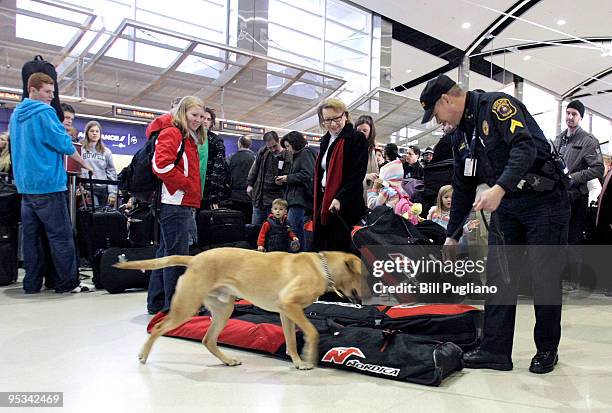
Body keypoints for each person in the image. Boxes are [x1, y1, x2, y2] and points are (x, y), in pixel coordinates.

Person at [420, 74, 570, 374]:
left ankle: (546, 350)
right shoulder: (460, 135)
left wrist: (498, 188)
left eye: (435, 113)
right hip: (509, 206)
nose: (437, 120)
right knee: (500, 277)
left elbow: (524, 149)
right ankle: (495, 350)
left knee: (544, 278)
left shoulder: (498, 106)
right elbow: (462, 185)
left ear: (447, 100)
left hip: (544, 201)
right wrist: (451, 236)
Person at [9, 72, 93, 294]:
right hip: (48, 185)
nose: (50, 97)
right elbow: (63, 143)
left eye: (52, 92)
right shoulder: (44, 112)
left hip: (26, 187)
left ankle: (31, 283)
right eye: (47, 92)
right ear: (33, 90)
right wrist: (85, 163)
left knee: (31, 240)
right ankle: (67, 283)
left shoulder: (16, 113)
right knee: (61, 238)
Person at [146, 96, 204, 314]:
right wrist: (187, 185)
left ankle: (158, 302)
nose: (198, 120)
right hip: (175, 202)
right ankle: (177, 307)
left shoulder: (185, 136)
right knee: (176, 255)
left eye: (201, 116)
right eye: (194, 115)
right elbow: (161, 166)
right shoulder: (173, 133)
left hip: (176, 201)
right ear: (183, 113)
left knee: (166, 254)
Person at [553, 100, 604, 288]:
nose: (569, 117)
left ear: (580, 117)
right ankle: (558, 276)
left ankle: (573, 279)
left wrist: (573, 178)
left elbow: (598, 169)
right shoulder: (558, 139)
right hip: (558, 196)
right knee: (559, 238)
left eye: (574, 114)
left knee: (573, 239)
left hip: (576, 197)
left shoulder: (588, 141)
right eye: (567, 113)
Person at [312, 98, 368, 252]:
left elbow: (357, 174)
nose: (333, 123)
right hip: (325, 201)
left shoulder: (356, 138)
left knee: (340, 251)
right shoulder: (325, 140)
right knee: (321, 248)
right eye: (328, 120)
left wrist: (340, 198)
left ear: (345, 115)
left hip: (345, 204)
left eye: (337, 118)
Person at [275, 131, 316, 251]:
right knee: (298, 230)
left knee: (291, 229)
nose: (287, 149)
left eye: (288, 146)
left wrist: (287, 178)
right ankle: (301, 255)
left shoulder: (305, 153)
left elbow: (308, 174)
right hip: (297, 199)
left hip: (300, 199)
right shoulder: (299, 155)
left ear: (295, 143)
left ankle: (294, 255)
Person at [247, 131, 292, 225]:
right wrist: (250, 184)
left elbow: (290, 175)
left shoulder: (288, 155)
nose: (272, 149)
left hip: (277, 201)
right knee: (255, 229)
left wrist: (284, 180)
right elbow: (254, 168)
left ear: (278, 141)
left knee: (274, 230)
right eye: (269, 147)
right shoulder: (263, 152)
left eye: (274, 146)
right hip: (259, 198)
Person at [367, 159, 421, 225]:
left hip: (386, 224)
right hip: (396, 223)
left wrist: (374, 189)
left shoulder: (387, 191)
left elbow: (372, 206)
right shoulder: (401, 190)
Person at [198, 107, 231, 210]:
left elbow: (219, 170)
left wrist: (214, 196)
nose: (205, 122)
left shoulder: (216, 141)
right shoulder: (189, 137)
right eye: (203, 118)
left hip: (207, 192)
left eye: (209, 119)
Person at [80, 120, 117, 207]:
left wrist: (112, 193)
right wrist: (78, 187)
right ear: (87, 133)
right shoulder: (81, 149)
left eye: (97, 131)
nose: (95, 133)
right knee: (94, 213)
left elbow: (111, 172)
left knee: (103, 216)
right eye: (92, 131)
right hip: (88, 187)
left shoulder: (106, 151)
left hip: (103, 189)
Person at [228, 135, 256, 223]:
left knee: (235, 223)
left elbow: (226, 175)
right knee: (248, 222)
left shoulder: (231, 157)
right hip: (249, 196)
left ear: (239, 144)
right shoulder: (255, 158)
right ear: (249, 145)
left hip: (234, 196)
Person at [355, 115, 379, 201]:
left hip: (370, 195)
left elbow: (375, 171)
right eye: (358, 130)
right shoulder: (352, 149)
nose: (361, 133)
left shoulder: (371, 150)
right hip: (356, 196)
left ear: (371, 132)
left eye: (364, 131)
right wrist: (367, 176)